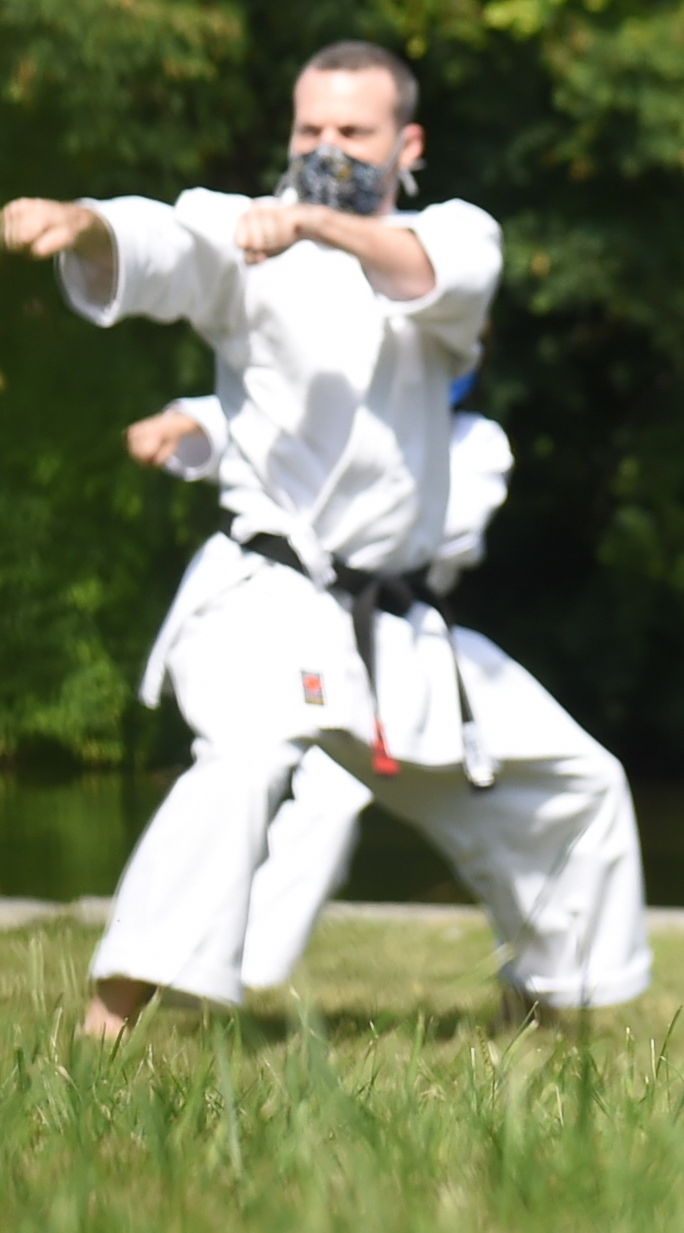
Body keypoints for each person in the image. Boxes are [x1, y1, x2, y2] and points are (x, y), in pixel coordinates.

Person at [0, 41, 647, 1037]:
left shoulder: (451, 237)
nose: (328, 147)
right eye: (311, 130)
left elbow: (430, 275)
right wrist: (85, 226)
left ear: (408, 144)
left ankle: (548, 1002)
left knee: (576, 777)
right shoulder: (244, 238)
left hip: (394, 626)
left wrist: (316, 223)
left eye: (354, 131)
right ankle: (109, 1019)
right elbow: (165, 241)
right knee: (246, 756)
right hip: (269, 595)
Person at [125, 377, 513, 995]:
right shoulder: (344, 389)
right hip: (275, 611)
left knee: (336, 795)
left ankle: (250, 968)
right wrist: (192, 422)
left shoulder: (477, 443)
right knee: (244, 763)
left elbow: (431, 540)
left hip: (388, 640)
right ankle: (179, 966)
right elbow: (268, 411)